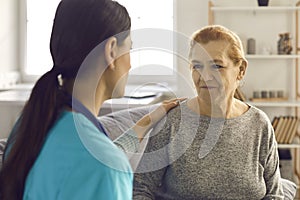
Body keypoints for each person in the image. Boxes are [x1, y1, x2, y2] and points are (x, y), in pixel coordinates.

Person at [0, 0, 182, 199]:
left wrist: (149, 119)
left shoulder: (30, 127)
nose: (130, 64)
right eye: (129, 49)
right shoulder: (103, 166)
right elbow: (103, 161)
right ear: (111, 50)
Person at [133, 25, 284, 199]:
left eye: (217, 66)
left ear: (241, 70)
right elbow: (140, 190)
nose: (204, 76)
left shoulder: (259, 123)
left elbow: (274, 194)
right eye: (197, 66)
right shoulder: (172, 122)